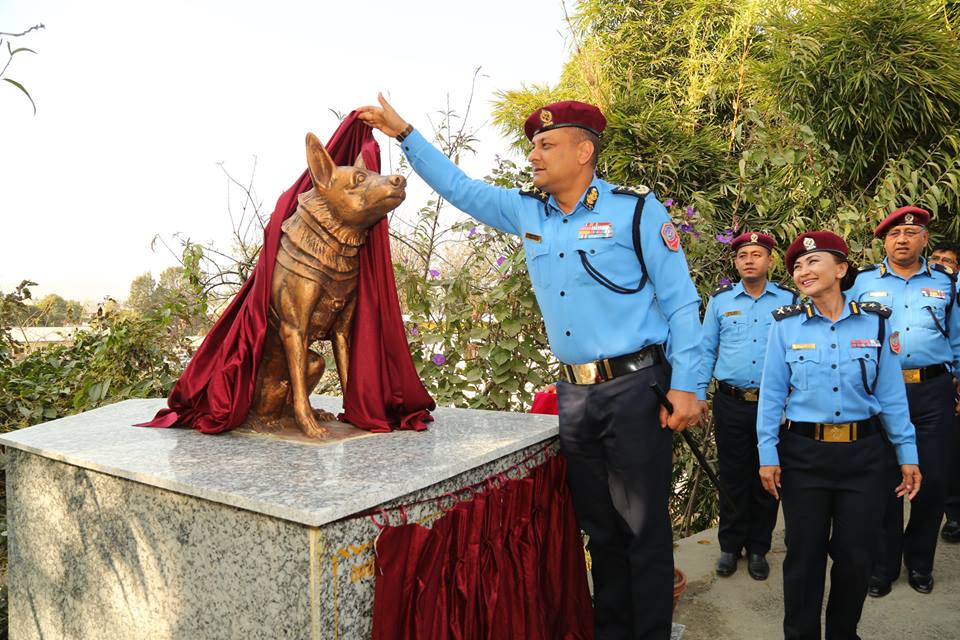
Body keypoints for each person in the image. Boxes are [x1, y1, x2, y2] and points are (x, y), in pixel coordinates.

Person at [358, 95, 703, 640]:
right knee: (601, 533)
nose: (535, 156)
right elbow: (461, 188)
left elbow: (682, 304)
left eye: (546, 145)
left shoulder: (635, 211)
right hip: (577, 398)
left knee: (643, 531)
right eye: (533, 146)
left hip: (637, 388)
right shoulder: (529, 212)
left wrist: (687, 386)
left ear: (583, 151)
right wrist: (405, 134)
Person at [757, 230, 921, 640]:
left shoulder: (876, 323)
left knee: (856, 557)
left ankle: (843, 633)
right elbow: (771, 395)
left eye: (814, 261)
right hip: (804, 456)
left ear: (841, 268)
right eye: (797, 266)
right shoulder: (786, 327)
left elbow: (891, 395)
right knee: (803, 556)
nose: (803, 270)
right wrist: (767, 453)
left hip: (865, 457)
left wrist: (907, 453)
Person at [848, 207, 960, 596]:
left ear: (924, 239)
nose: (902, 239)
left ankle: (920, 561)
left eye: (911, 233)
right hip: (881, 390)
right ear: (884, 242)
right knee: (884, 479)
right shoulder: (863, 283)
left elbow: (956, 335)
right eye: (895, 233)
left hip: (933, 389)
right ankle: (883, 565)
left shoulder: (945, 282)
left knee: (934, 479)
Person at [697, 232, 795, 580]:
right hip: (731, 402)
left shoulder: (789, 301)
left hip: (774, 404)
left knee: (768, 476)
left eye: (756, 254)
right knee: (733, 475)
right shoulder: (720, 302)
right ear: (735, 263)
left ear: (770, 260)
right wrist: (698, 393)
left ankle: (758, 548)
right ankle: (729, 545)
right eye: (742, 255)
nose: (749, 260)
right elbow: (706, 350)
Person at [927, 240, 960, 544]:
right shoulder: (929, 292)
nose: (939, 264)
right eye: (935, 258)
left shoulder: (951, 292)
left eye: (947, 260)